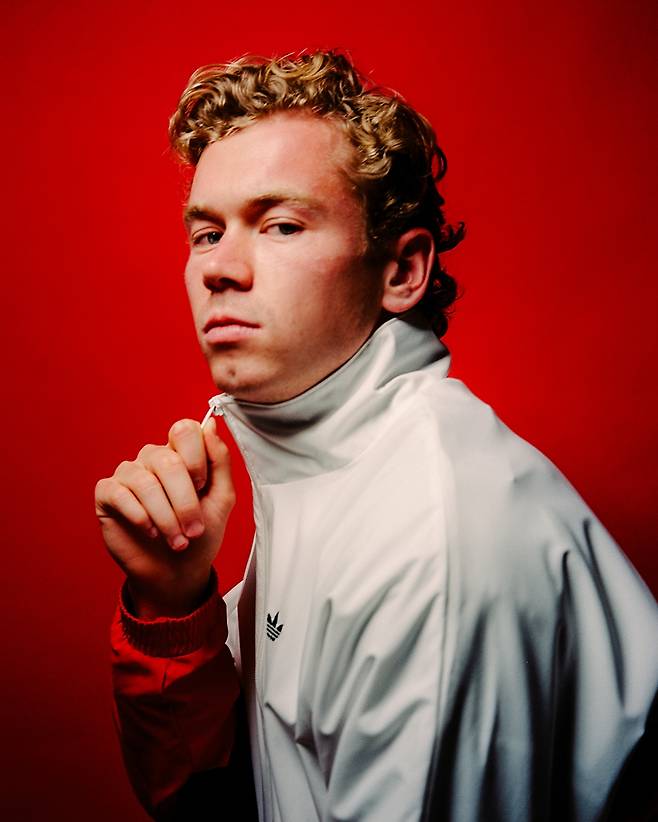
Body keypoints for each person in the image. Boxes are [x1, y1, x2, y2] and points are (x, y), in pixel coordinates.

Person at [96, 51, 658, 821]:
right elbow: (216, 800)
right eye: (206, 232)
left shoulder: (430, 534)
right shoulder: (319, 469)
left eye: (280, 225)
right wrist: (173, 608)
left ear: (402, 271)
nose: (220, 268)